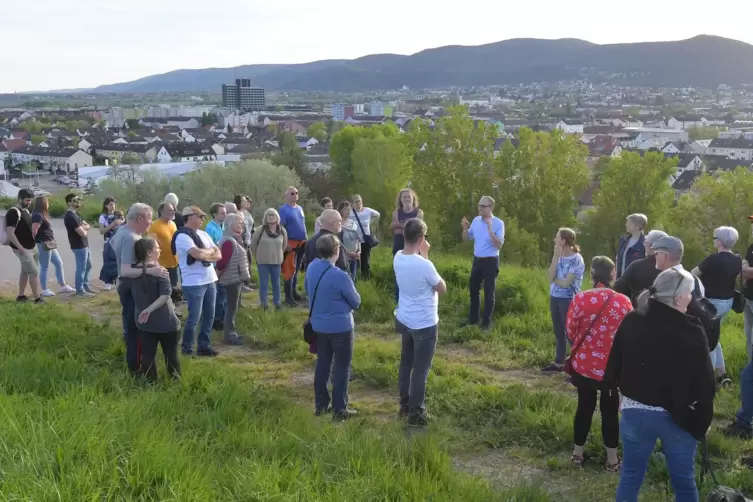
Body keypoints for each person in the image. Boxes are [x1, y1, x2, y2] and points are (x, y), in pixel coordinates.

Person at [604, 268, 715, 502]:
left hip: (635, 412)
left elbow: (614, 362)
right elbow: (705, 383)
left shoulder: (633, 319)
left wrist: (617, 397)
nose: (691, 298)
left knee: (631, 477)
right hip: (679, 416)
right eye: (689, 293)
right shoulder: (692, 330)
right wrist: (703, 419)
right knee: (684, 482)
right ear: (677, 298)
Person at [566, 256, 632, 471]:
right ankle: (612, 460)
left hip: (584, 365)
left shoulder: (580, 298)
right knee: (610, 412)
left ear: (592, 275)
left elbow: (570, 332)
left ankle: (577, 455)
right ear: (613, 275)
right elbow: (628, 334)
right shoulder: (623, 301)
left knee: (584, 407)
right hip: (611, 368)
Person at [394, 218, 446, 426]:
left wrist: (422, 255)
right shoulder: (425, 264)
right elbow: (441, 288)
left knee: (406, 363)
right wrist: (425, 255)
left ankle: (405, 405)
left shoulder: (398, 257)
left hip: (405, 318)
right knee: (421, 369)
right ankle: (417, 412)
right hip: (424, 322)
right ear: (422, 238)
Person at [305, 234, 361, 422]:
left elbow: (308, 289)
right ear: (336, 251)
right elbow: (356, 302)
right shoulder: (340, 276)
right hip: (340, 327)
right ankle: (339, 409)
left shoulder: (312, 267)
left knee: (323, 363)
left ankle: (321, 405)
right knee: (342, 366)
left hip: (319, 325)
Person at [110, 203, 166, 376]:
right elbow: (125, 270)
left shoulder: (122, 230)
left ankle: (137, 364)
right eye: (149, 218)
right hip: (131, 288)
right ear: (140, 218)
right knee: (136, 329)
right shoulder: (130, 238)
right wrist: (151, 270)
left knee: (131, 326)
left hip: (126, 286)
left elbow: (113, 249)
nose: (151, 222)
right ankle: (137, 369)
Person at [691, 226, 742, 383]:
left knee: (708, 340)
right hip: (728, 302)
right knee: (714, 336)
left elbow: (692, 274)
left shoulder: (712, 260)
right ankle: (721, 374)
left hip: (712, 304)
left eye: (714, 239)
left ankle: (708, 381)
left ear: (719, 242)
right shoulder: (737, 260)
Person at [127, 237, 181, 381]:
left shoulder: (131, 272)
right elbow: (165, 295)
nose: (160, 250)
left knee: (148, 355)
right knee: (171, 356)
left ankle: (151, 384)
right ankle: (176, 385)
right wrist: (149, 310)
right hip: (165, 321)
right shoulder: (160, 271)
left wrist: (144, 310)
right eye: (157, 248)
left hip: (143, 322)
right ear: (149, 253)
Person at [172, 206, 222, 357]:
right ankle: (187, 348)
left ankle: (204, 345)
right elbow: (196, 254)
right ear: (189, 217)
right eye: (199, 216)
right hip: (194, 283)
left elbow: (218, 253)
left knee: (209, 315)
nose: (202, 219)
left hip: (210, 279)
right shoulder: (182, 236)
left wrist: (206, 254)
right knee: (194, 317)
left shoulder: (204, 234)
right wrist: (208, 253)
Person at [543, 228, 585, 373]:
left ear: (564, 240)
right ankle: (559, 363)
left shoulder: (576, 259)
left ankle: (577, 366)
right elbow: (549, 276)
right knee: (558, 331)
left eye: (557, 237)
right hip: (555, 296)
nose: (554, 239)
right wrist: (555, 257)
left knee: (570, 334)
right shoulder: (559, 255)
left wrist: (554, 279)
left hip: (568, 299)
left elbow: (567, 283)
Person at [461, 196, 505, 330]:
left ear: (490, 207)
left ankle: (486, 322)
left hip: (490, 261)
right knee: (473, 289)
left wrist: (490, 231)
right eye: (479, 205)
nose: (479, 208)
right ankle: (473, 319)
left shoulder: (498, 223)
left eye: (483, 206)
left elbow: (498, 245)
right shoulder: (476, 220)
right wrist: (464, 228)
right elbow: (466, 238)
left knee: (488, 292)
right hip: (477, 260)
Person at [31, 196, 74, 297]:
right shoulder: (37, 215)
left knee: (59, 263)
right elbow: (34, 231)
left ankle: (63, 285)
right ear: (43, 204)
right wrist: (34, 244)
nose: (48, 204)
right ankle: (44, 289)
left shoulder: (42, 214)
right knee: (45, 266)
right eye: (47, 202)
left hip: (50, 243)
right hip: (43, 243)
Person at [216, 213, 248, 345]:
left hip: (235, 278)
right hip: (231, 278)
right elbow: (222, 263)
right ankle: (229, 336)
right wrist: (216, 277)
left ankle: (232, 333)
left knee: (232, 307)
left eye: (241, 223)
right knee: (231, 308)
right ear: (229, 224)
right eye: (238, 223)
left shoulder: (233, 239)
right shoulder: (229, 241)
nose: (241, 225)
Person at [7, 188, 44, 304]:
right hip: (22, 248)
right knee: (34, 272)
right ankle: (38, 298)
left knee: (25, 271)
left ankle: (21, 296)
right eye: (27, 200)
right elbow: (10, 233)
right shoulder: (13, 212)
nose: (29, 203)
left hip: (32, 246)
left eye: (30, 201)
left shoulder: (26, 211)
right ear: (20, 199)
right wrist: (20, 247)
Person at [613, 230, 668, 305]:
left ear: (652, 246)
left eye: (645, 243)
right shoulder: (671, 267)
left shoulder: (636, 265)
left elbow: (618, 288)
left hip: (639, 310)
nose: (644, 245)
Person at [250, 208, 287, 310]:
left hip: (276, 261)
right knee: (263, 284)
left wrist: (278, 254)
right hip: (263, 262)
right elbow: (253, 244)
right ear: (266, 217)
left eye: (273, 215)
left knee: (276, 283)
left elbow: (284, 245)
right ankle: (264, 304)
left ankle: (277, 303)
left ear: (277, 217)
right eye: (269, 215)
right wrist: (257, 255)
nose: (271, 217)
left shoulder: (282, 230)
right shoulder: (260, 230)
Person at [391, 188, 424, 301]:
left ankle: (413, 297)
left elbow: (417, 228)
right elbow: (394, 229)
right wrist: (408, 226)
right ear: (400, 199)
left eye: (408, 196)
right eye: (403, 197)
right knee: (399, 272)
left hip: (415, 245)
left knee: (415, 271)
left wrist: (400, 225)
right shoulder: (396, 212)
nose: (406, 198)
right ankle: (399, 299)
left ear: (413, 198)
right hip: (399, 244)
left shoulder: (419, 212)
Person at [280, 186, 307, 306]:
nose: (295, 195)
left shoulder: (300, 208)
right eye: (292, 193)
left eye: (296, 192)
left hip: (301, 243)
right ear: (286, 196)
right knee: (289, 270)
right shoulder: (284, 209)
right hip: (290, 243)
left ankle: (294, 291)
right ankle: (288, 297)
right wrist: (284, 244)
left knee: (296, 270)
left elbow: (303, 224)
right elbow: (280, 228)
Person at [63, 193, 94, 297]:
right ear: (69, 203)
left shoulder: (77, 214)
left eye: (78, 200)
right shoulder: (70, 216)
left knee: (88, 265)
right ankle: (79, 290)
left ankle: (85, 285)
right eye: (74, 200)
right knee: (81, 268)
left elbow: (88, 225)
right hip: (78, 245)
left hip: (84, 244)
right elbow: (82, 232)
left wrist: (84, 227)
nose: (77, 202)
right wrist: (84, 228)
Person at [205, 203, 227, 331]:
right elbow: (209, 249)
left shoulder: (224, 226)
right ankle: (216, 320)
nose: (225, 215)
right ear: (214, 214)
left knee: (223, 294)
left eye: (225, 213)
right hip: (215, 266)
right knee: (219, 294)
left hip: (225, 264)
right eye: (222, 213)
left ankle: (222, 317)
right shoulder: (210, 228)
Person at [147, 203, 180, 288]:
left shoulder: (173, 224)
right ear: (162, 212)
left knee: (174, 289)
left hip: (174, 263)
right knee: (163, 290)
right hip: (161, 264)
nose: (173, 212)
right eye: (170, 210)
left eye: (173, 210)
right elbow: (150, 246)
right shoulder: (154, 226)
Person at [349, 194, 380, 279]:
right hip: (355, 241)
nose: (358, 203)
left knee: (365, 260)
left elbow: (377, 215)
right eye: (356, 201)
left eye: (360, 201)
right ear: (352, 203)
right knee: (355, 260)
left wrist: (370, 222)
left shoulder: (367, 211)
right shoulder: (350, 213)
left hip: (365, 240)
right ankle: (354, 276)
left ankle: (366, 277)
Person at [616, 213, 647, 278]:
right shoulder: (623, 240)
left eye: (629, 223)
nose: (626, 224)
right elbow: (618, 260)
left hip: (636, 284)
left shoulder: (646, 243)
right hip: (621, 282)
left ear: (638, 226)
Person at [338, 201, 361, 282]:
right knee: (345, 280)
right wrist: (349, 253)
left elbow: (358, 238)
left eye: (349, 209)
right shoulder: (338, 224)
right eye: (346, 209)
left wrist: (358, 251)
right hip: (344, 258)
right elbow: (339, 242)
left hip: (355, 257)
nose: (349, 211)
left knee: (353, 279)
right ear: (341, 210)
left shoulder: (353, 223)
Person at [742, 215, 753, 362]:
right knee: (749, 336)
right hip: (748, 298)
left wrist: (746, 269)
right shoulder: (752, 247)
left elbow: (745, 270)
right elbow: (744, 265)